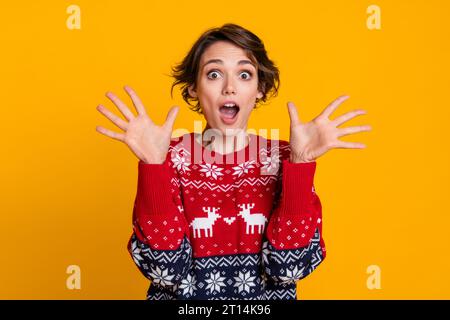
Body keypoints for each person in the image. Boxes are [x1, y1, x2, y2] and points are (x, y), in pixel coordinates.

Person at [95, 23, 371, 300]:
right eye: (214, 74)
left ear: (260, 88)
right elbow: (165, 271)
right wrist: (154, 167)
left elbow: (288, 268)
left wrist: (300, 165)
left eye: (244, 74)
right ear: (193, 88)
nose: (229, 88)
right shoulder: (168, 158)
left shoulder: (286, 158)